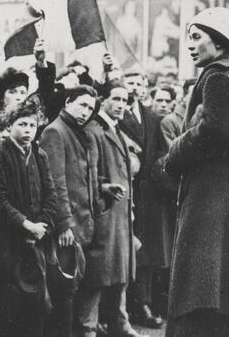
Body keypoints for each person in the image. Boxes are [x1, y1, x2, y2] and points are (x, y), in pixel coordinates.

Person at [163, 7, 229, 336]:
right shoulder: (223, 77)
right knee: (215, 297)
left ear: (220, 44)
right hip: (218, 206)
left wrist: (174, 153)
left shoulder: (219, 77)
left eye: (197, 37)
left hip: (213, 208)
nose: (190, 45)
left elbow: (213, 132)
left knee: (204, 295)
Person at [0, 101, 57, 337]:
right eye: (22, 124)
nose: (28, 130)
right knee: (6, 309)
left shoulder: (39, 154)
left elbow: (50, 194)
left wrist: (41, 227)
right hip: (6, 244)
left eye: (32, 125)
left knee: (36, 308)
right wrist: (26, 225)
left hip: (36, 240)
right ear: (9, 125)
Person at [79, 84, 142, 337]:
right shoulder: (94, 131)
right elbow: (88, 174)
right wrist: (104, 188)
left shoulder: (116, 129)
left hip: (122, 212)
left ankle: (119, 321)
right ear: (102, 101)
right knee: (98, 273)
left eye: (125, 100)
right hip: (106, 211)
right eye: (115, 98)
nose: (121, 104)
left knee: (120, 270)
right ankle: (88, 327)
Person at [39, 85, 100, 337]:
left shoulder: (77, 131)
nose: (86, 111)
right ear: (67, 102)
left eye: (90, 107)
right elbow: (55, 182)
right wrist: (64, 224)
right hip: (67, 227)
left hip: (82, 223)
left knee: (72, 289)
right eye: (82, 105)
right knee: (63, 290)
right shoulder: (55, 131)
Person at [120, 70, 165, 329]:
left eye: (139, 83)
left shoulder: (152, 117)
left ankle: (144, 303)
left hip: (148, 193)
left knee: (145, 250)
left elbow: (160, 151)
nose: (135, 87)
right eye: (130, 83)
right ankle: (122, 308)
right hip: (125, 190)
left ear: (145, 88)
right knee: (125, 249)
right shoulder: (116, 115)